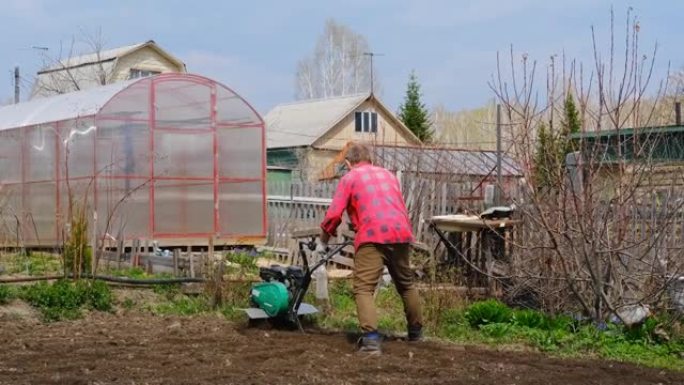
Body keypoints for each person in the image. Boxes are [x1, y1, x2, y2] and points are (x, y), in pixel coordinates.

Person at [318, 142, 423, 354]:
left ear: (348, 162)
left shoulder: (350, 178)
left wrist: (323, 241)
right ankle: (416, 333)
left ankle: (371, 342)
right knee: (406, 284)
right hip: (401, 233)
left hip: (372, 235)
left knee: (363, 288)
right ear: (370, 159)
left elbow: (334, 214)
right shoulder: (389, 175)